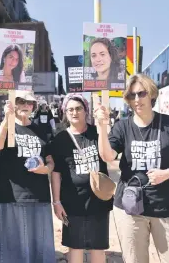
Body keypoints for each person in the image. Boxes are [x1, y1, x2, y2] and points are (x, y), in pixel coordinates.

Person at [97, 74, 169, 263]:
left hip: (167, 207)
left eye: (141, 94)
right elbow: (107, 156)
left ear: (151, 94)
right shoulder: (122, 127)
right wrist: (102, 127)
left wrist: (168, 173)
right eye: (131, 96)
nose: (136, 100)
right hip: (131, 208)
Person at [0, 90, 55, 263]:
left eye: (30, 103)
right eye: (21, 101)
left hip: (39, 195)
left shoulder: (41, 129)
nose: (26, 106)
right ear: (13, 103)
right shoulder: (7, 125)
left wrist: (46, 169)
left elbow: (50, 160)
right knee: (13, 248)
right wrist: (7, 119)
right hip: (13, 194)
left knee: (39, 247)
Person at [50, 93, 113, 263]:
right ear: (65, 112)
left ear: (86, 111)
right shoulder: (60, 139)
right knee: (75, 246)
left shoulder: (97, 133)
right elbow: (56, 173)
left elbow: (109, 154)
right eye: (70, 109)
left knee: (97, 247)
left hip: (99, 198)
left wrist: (103, 124)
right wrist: (56, 202)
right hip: (72, 200)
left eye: (78, 108)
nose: (74, 112)